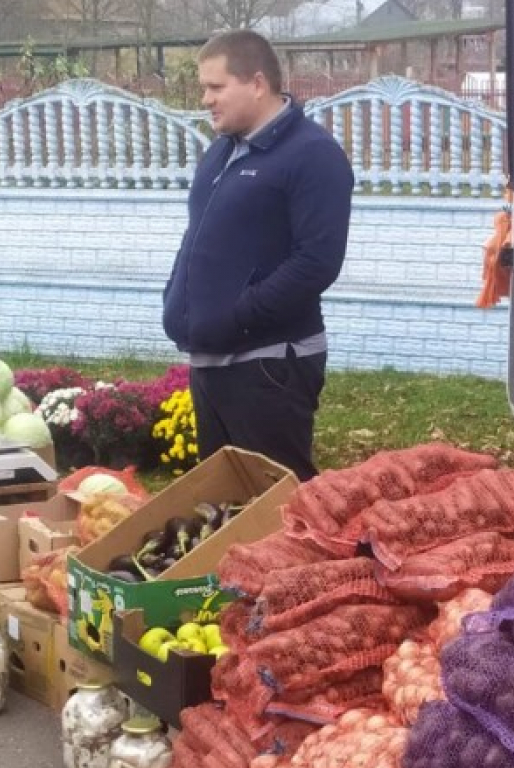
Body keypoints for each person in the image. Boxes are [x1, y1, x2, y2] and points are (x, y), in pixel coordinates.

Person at [163, 29, 354, 481]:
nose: (206, 99)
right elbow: (199, 238)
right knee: (225, 507)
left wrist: (239, 314)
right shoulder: (220, 153)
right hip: (210, 361)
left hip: (269, 364)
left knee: (280, 512)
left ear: (257, 83)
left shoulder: (312, 155)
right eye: (203, 88)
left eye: (216, 87)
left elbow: (317, 261)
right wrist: (178, 301)